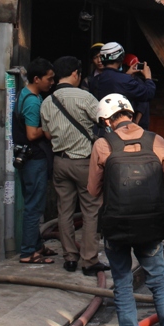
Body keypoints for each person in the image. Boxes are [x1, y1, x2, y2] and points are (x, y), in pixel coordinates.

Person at [87, 95, 164, 326]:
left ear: (106, 120)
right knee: (159, 282)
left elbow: (92, 190)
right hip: (151, 224)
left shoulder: (103, 144)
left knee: (122, 284)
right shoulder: (156, 140)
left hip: (116, 224)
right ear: (131, 113)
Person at [40, 56, 109, 275]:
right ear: (75, 74)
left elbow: (48, 133)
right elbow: (104, 123)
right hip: (84, 163)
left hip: (60, 161)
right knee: (90, 210)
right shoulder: (86, 98)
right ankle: (89, 261)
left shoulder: (47, 102)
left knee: (64, 210)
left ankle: (70, 257)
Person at [14, 57, 56, 263]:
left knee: (34, 203)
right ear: (36, 78)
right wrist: (48, 129)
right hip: (34, 157)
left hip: (29, 158)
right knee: (34, 206)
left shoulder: (27, 94)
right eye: (49, 79)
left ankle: (36, 245)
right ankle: (28, 252)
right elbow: (31, 134)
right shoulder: (31, 101)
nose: (52, 82)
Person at [89, 42, 156, 123]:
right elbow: (148, 93)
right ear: (120, 58)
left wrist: (127, 75)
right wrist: (148, 77)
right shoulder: (125, 80)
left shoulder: (94, 80)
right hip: (120, 126)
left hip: (102, 125)